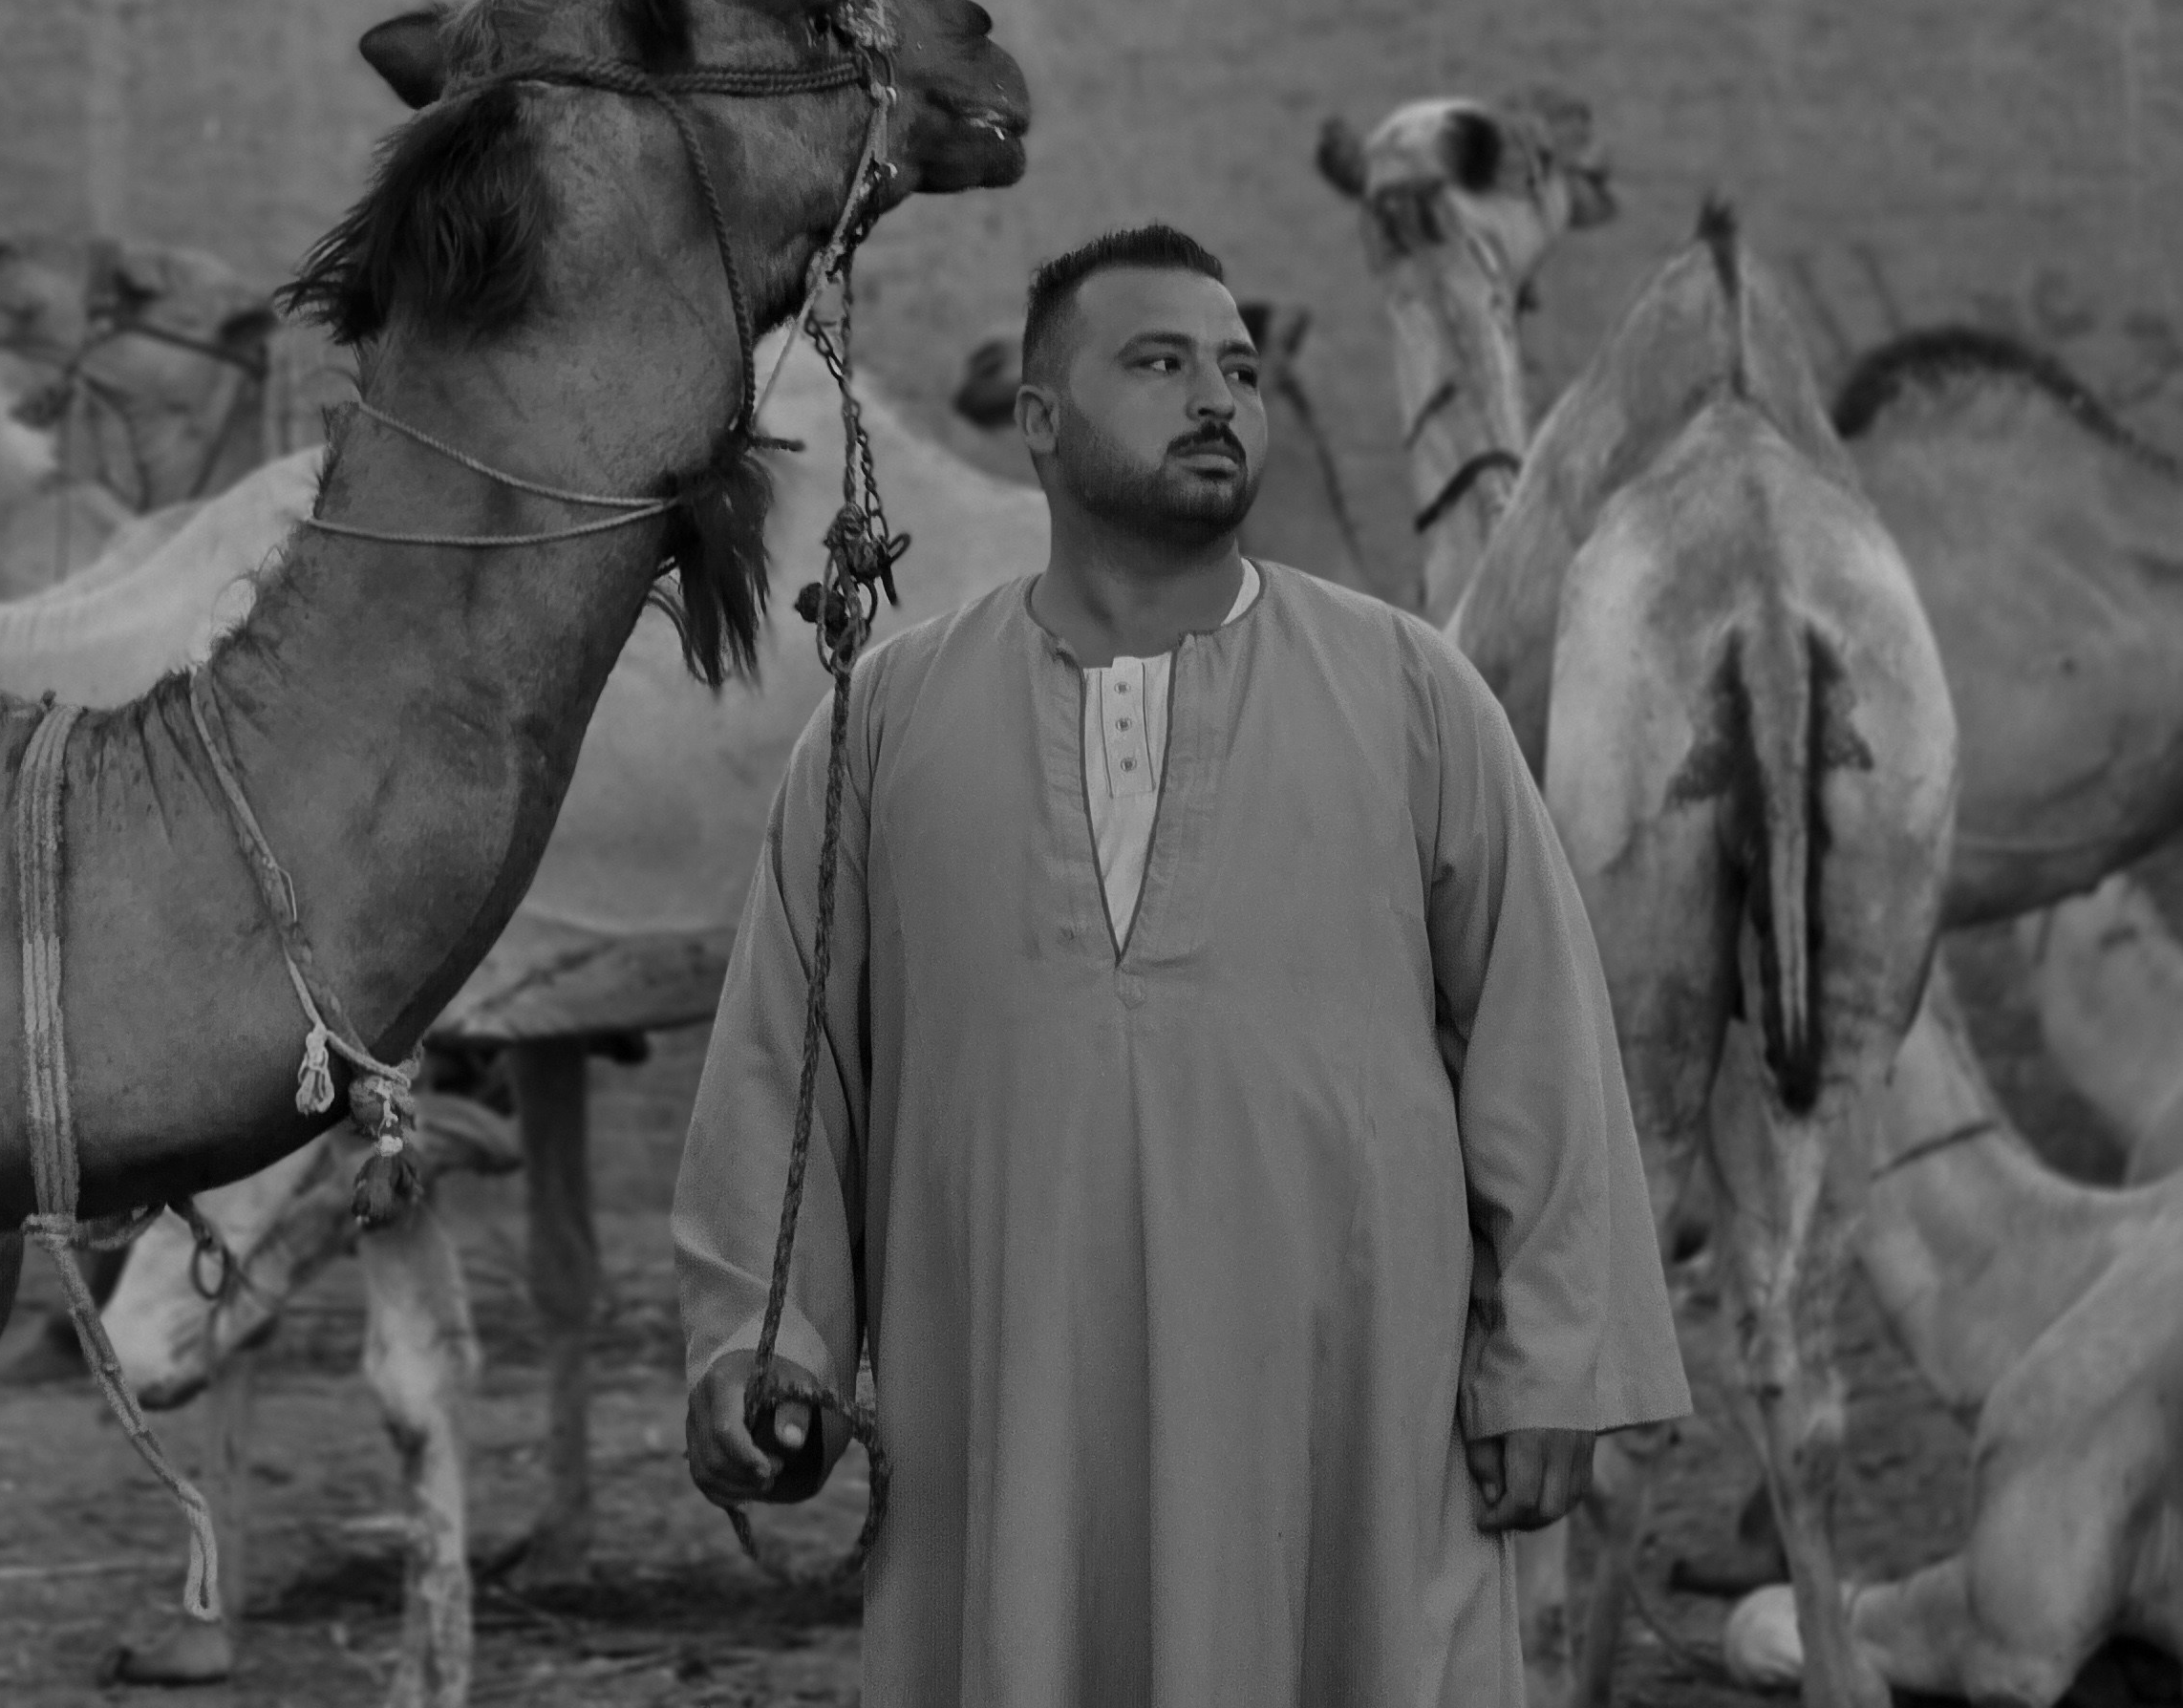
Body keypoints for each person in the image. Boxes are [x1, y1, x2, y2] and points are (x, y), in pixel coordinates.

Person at [674, 221, 1687, 1706]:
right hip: (1012, 1435)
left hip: (1346, 1441)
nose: (1218, 396)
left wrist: (1554, 1359)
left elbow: (1544, 1032)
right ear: (1038, 422)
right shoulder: (885, 722)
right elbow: (788, 1065)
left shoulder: (1411, 690)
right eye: (1158, 363)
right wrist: (770, 1352)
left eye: (1238, 369)